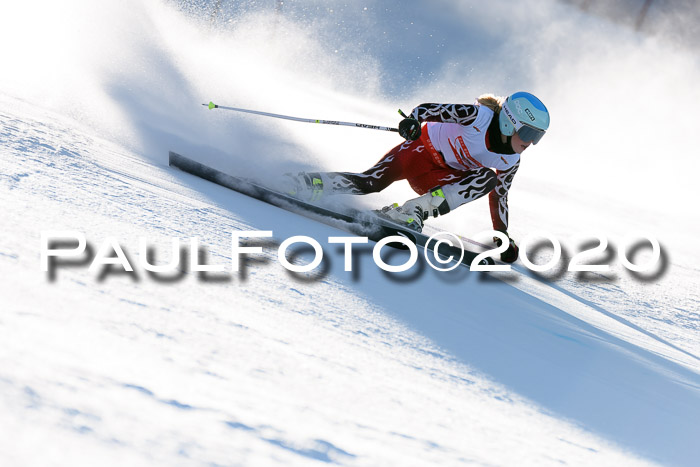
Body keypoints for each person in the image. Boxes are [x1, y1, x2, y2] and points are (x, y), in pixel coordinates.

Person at [284, 92, 550, 263]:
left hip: (439, 180)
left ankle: (413, 212)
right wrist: (412, 121)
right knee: (370, 183)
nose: (530, 143)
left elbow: (499, 196)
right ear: (509, 122)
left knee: (487, 178)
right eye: (528, 134)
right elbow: (427, 109)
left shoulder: (510, 160)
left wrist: (502, 235)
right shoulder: (478, 117)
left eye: (537, 137)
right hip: (419, 151)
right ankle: (309, 183)